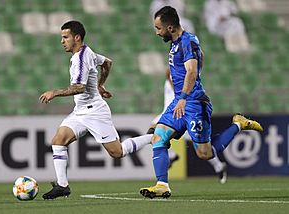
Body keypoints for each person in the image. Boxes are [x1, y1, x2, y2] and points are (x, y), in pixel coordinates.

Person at [139, 6, 263, 199]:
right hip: (179, 102)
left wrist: (183, 97)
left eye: (158, 28)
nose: (157, 32)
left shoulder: (187, 41)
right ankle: (162, 184)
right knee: (158, 136)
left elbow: (192, 71)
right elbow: (201, 57)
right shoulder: (176, 43)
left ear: (170, 27)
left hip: (194, 103)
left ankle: (238, 124)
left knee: (205, 154)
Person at [39, 20, 153, 200]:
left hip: (95, 112)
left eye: (65, 37)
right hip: (80, 111)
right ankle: (62, 185)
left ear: (77, 37)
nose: (62, 41)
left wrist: (54, 92)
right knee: (58, 140)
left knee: (117, 152)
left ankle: (152, 137)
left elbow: (79, 88)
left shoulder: (82, 58)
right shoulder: (87, 52)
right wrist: (100, 84)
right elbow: (107, 62)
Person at [149, 68, 227, 184]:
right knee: (153, 133)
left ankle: (219, 166)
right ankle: (171, 156)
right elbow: (168, 73)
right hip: (170, 114)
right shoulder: (172, 77)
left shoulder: (186, 82)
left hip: (185, 114)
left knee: (202, 149)